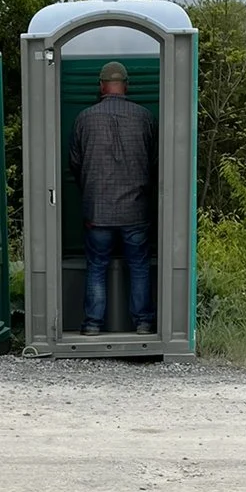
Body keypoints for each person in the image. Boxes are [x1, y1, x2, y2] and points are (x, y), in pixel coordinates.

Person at [68, 60, 157, 335]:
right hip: (135, 210)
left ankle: (93, 324)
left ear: (101, 86)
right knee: (139, 266)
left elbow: (74, 162)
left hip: (97, 210)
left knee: (96, 266)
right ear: (126, 85)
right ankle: (142, 323)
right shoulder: (144, 117)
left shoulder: (84, 118)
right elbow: (154, 161)